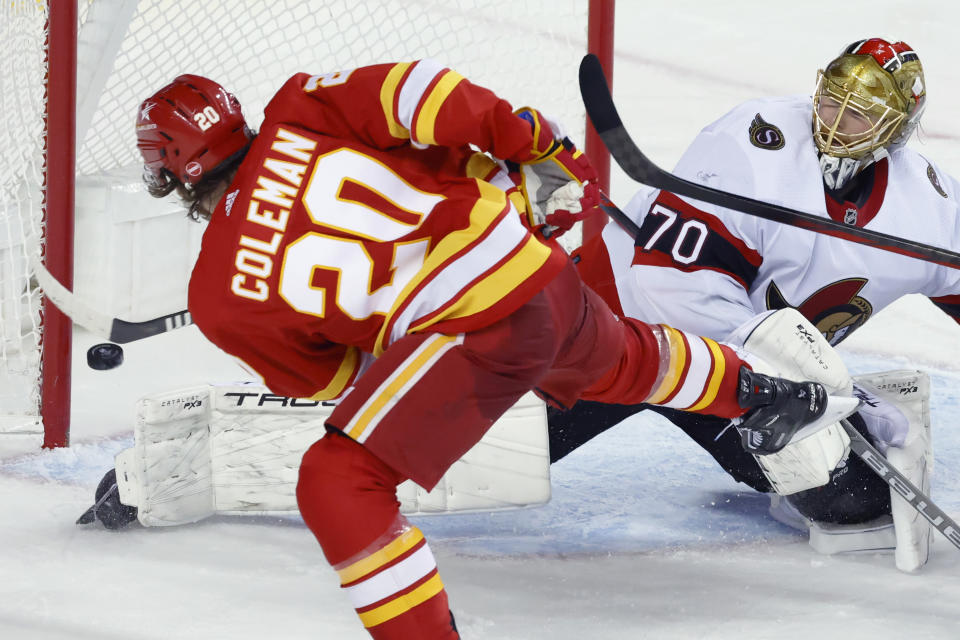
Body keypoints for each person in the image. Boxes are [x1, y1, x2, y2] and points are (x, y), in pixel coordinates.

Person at [133, 61, 827, 638]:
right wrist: (531, 143)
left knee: (338, 479)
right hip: (540, 279)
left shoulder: (217, 299)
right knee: (622, 361)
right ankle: (765, 390)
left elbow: (344, 378)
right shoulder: (303, 105)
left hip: (474, 330)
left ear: (173, 169)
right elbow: (427, 96)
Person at [553, 38, 943, 569]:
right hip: (617, 327)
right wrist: (836, 391)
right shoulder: (753, 142)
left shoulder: (929, 205)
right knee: (464, 451)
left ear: (897, 128)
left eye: (859, 114)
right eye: (830, 100)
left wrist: (825, 398)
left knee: (858, 498)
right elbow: (674, 291)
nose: (834, 120)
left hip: (747, 381)